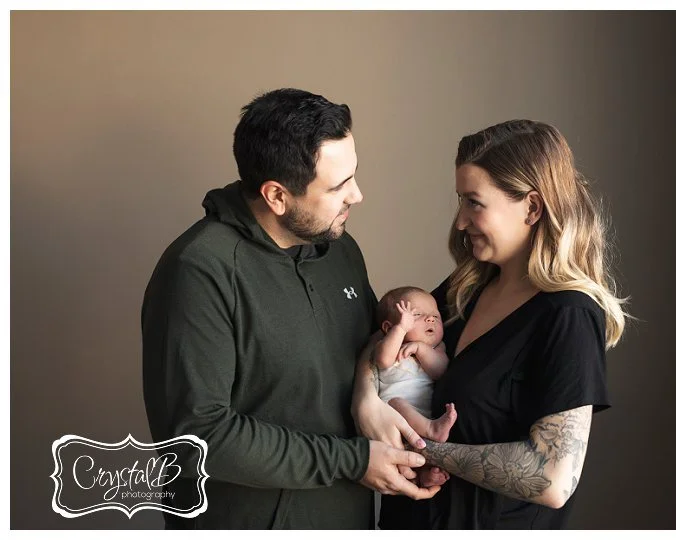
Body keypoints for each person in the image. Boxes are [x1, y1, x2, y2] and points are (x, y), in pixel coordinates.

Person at [141, 88, 438, 530]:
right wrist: (352, 460)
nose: (357, 195)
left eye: (354, 176)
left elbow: (367, 350)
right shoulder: (200, 270)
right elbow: (197, 438)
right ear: (277, 196)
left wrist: (372, 409)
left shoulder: (340, 249)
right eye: (338, 186)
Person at [351, 119, 629, 529]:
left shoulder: (568, 316)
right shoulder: (466, 288)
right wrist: (364, 402)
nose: (460, 221)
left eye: (474, 203)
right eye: (460, 201)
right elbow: (386, 334)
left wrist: (422, 446)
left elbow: (551, 478)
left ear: (532, 208)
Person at [373, 287, 457, 443]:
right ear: (389, 328)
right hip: (390, 415)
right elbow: (384, 361)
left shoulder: (436, 348)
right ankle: (432, 430)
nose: (430, 319)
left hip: (423, 416)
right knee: (396, 402)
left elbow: (440, 371)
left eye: (436, 316)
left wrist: (420, 348)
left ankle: (430, 430)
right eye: (417, 315)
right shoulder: (387, 345)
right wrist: (401, 329)